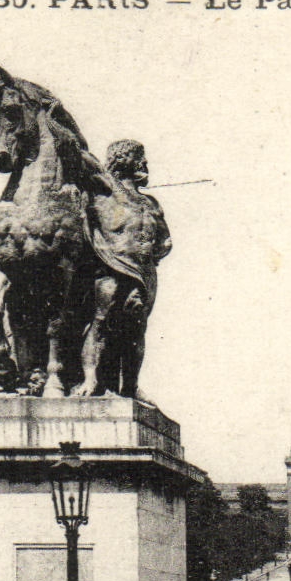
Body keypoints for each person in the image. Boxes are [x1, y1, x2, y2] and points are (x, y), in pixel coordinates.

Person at [75, 139, 172, 398]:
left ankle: (130, 386)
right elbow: (77, 151)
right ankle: (90, 380)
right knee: (101, 321)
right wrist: (54, 112)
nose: (144, 162)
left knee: (136, 329)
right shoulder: (106, 187)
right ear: (122, 160)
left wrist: (156, 248)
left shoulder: (151, 203)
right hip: (112, 266)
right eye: (137, 156)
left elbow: (165, 240)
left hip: (143, 272)